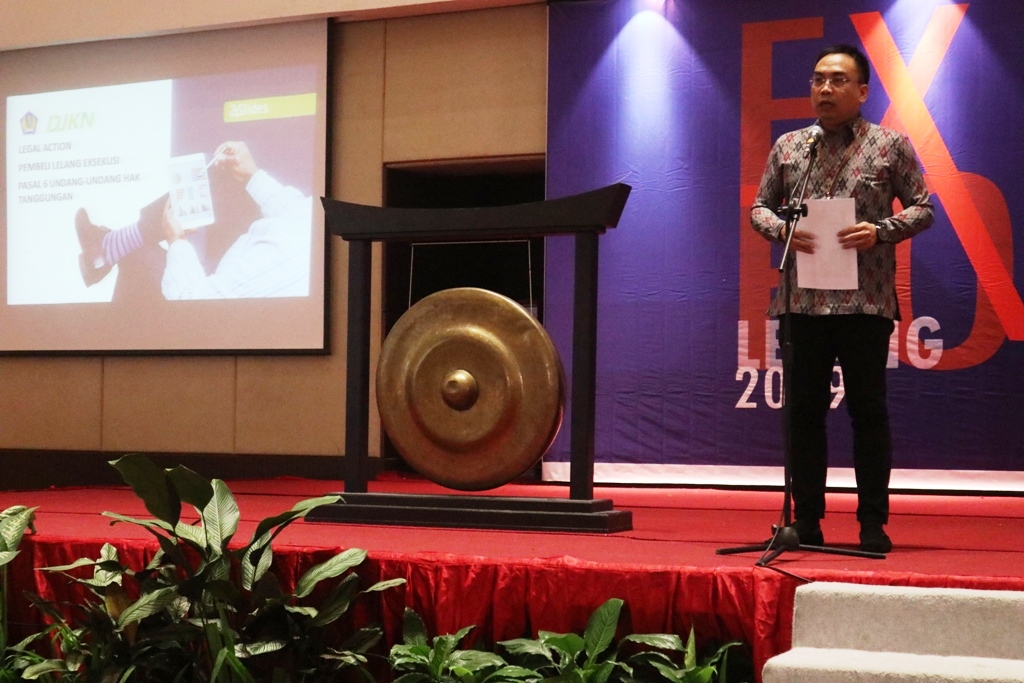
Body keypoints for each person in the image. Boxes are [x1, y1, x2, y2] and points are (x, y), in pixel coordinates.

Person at [750, 44, 935, 553]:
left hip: (865, 304)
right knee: (803, 415)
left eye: (837, 80)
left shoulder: (889, 145)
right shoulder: (792, 146)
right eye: (817, 80)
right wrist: (783, 230)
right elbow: (760, 208)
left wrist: (880, 230)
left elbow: (923, 208)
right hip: (802, 304)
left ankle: (872, 524)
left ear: (862, 91)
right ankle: (807, 522)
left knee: (867, 413)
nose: (825, 89)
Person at [76, 141, 312, 300]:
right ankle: (106, 250)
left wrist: (177, 242)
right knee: (221, 173)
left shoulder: (281, 268)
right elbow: (297, 213)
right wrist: (253, 174)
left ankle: (108, 251)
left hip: (215, 298)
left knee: (137, 255)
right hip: (253, 249)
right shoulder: (318, 227)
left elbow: (191, 298)